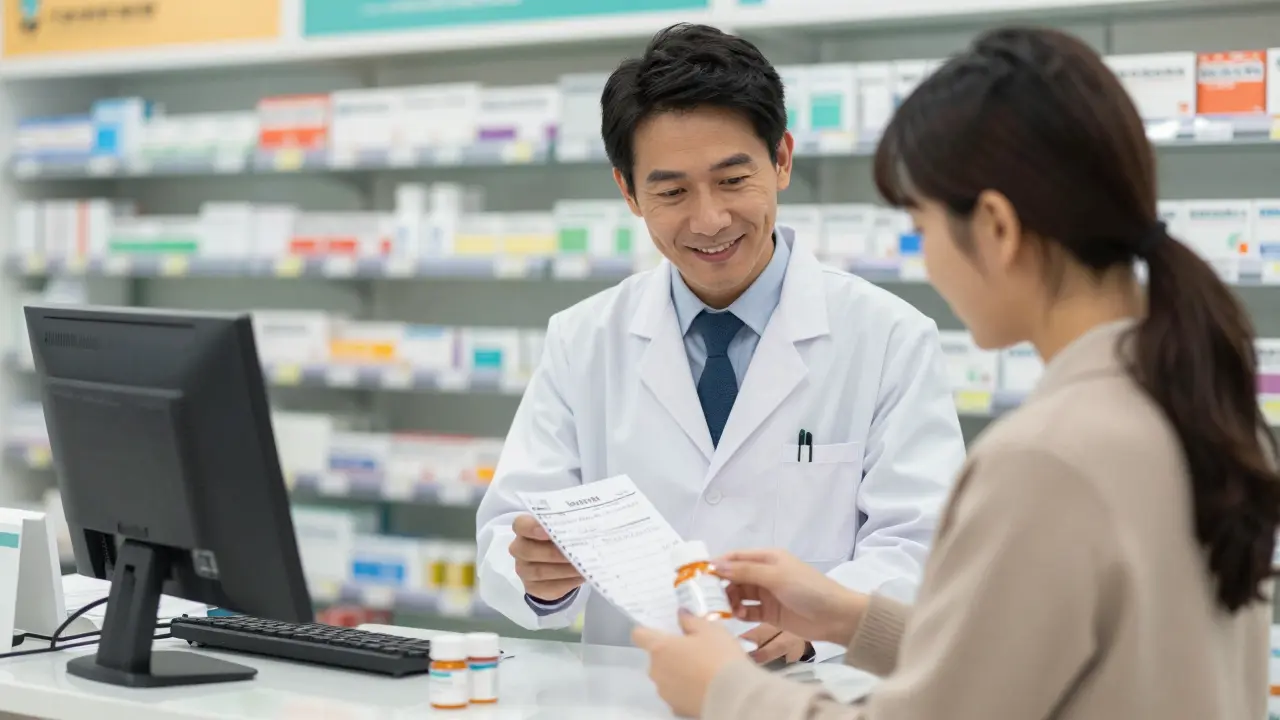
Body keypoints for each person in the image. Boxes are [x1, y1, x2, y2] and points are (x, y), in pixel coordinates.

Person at [631, 25, 1279, 720]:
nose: (928, 259)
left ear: (995, 227)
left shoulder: (1046, 458)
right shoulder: (1199, 404)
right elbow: (1042, 663)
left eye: (922, 223)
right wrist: (852, 616)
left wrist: (725, 691)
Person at [475, 23, 966, 663]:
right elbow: (507, 530)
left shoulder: (889, 337)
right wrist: (534, 575)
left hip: (813, 696)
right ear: (628, 191)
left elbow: (922, 546)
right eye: (672, 191)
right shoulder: (583, 339)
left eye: (733, 180)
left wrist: (820, 623)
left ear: (782, 159)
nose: (709, 220)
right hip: (636, 693)